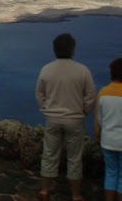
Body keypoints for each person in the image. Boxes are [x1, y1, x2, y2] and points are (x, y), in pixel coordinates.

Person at [35, 33, 96, 201]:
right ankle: (76, 195)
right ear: (72, 50)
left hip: (53, 120)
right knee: (75, 158)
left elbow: (39, 94)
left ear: (55, 50)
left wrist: (45, 109)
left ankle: (45, 191)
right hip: (75, 120)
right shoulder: (82, 70)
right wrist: (84, 111)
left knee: (49, 154)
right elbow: (91, 96)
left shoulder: (46, 69)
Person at [96, 58, 122, 201]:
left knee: (111, 173)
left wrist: (98, 136)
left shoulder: (103, 92)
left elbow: (98, 120)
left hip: (108, 140)